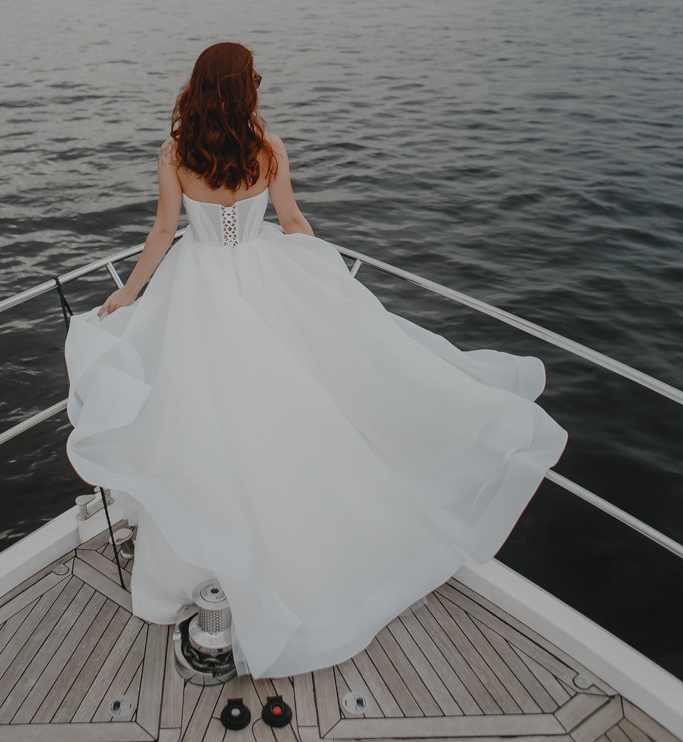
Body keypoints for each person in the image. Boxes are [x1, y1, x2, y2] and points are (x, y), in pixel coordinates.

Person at [65, 42, 567, 680]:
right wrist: (326, 276)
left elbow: (165, 232)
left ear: (199, 88)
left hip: (197, 292)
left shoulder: (175, 153)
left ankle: (201, 561)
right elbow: (293, 219)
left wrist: (127, 293)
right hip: (264, 280)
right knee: (283, 409)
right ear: (244, 90)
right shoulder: (268, 147)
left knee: (200, 416)